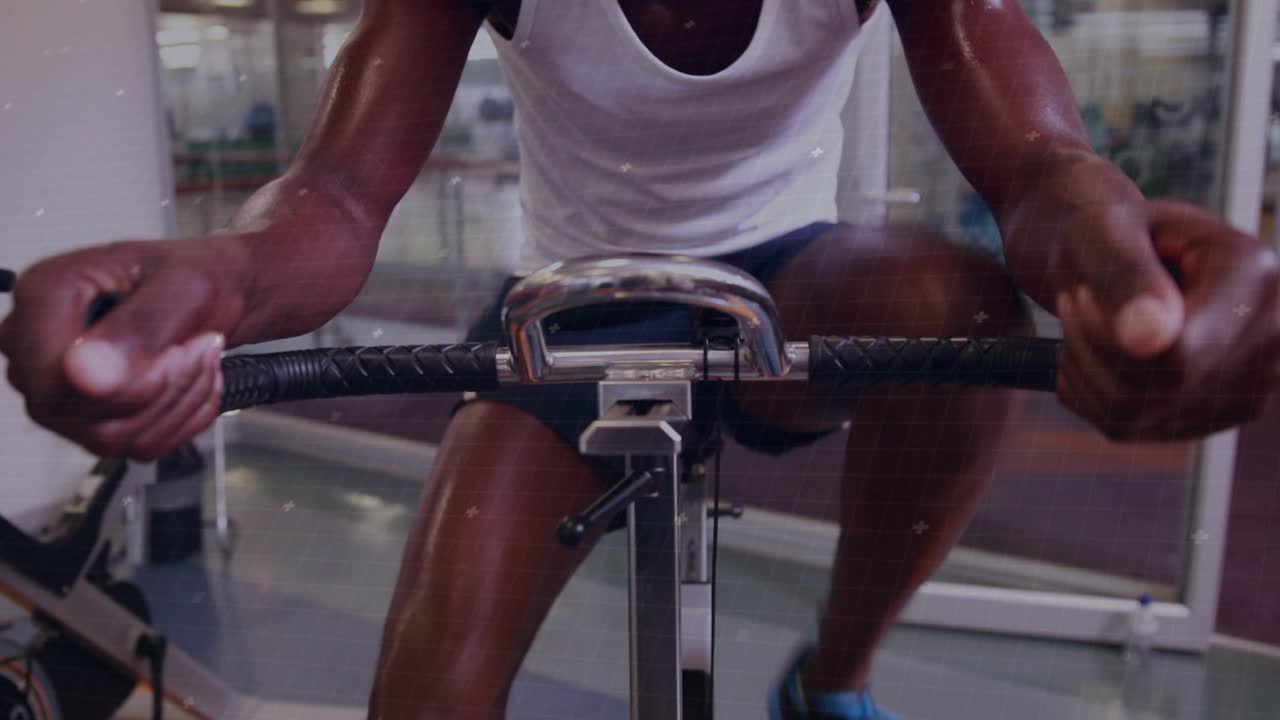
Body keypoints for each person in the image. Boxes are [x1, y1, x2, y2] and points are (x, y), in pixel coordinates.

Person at [2, 1, 1278, 718]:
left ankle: (828, 685)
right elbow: (336, 195)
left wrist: (1112, 255)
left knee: (961, 310)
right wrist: (214, 282)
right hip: (574, 308)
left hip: (791, 278)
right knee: (426, 696)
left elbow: (1036, 165)